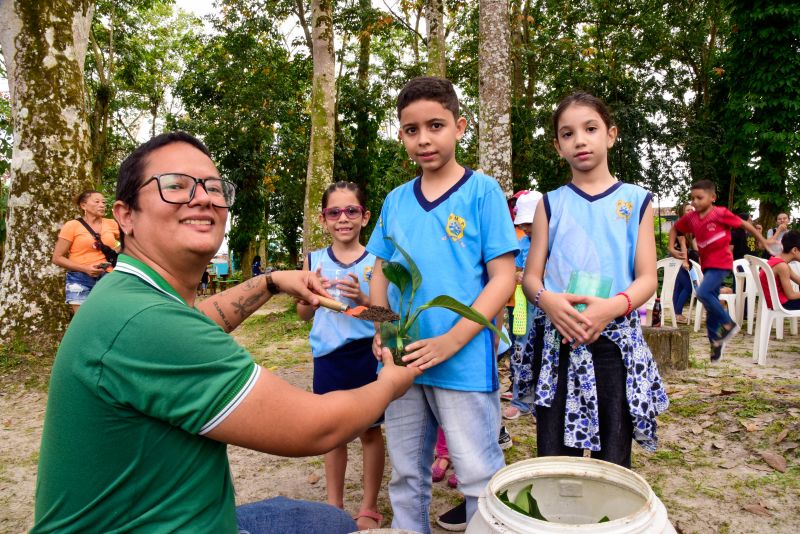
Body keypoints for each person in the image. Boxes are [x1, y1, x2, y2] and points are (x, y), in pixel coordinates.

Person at [32, 132, 420, 534]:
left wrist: (269, 282)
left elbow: (193, 322)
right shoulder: (144, 320)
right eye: (175, 186)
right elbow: (314, 427)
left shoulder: (129, 295)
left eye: (213, 188)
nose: (201, 198)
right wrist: (391, 382)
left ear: (364, 216)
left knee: (326, 519)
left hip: (172, 515)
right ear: (125, 215)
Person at [366, 77, 518, 533]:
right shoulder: (395, 201)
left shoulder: (482, 192)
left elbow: (503, 278)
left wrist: (452, 341)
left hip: (464, 362)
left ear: (459, 127)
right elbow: (380, 272)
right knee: (407, 473)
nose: (424, 139)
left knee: (477, 475)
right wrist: (382, 330)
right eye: (411, 130)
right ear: (401, 136)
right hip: (402, 364)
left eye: (436, 125)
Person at [521, 91, 668, 468]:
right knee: (554, 453)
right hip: (559, 340)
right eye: (568, 134)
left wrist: (612, 308)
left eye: (590, 128)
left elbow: (647, 277)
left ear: (611, 134)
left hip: (614, 345)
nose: (580, 140)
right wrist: (548, 301)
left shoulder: (636, 200)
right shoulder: (550, 203)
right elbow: (531, 277)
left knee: (613, 454)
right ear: (558, 146)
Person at [296, 181, 384, 530]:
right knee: (333, 433)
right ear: (324, 219)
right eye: (334, 212)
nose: (343, 218)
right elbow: (304, 314)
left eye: (351, 211)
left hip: (365, 356)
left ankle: (368, 506)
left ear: (365, 217)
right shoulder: (313, 260)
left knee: (370, 432)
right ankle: (333, 506)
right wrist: (309, 297)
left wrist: (362, 300)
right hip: (328, 358)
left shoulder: (376, 261)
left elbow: (386, 316)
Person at [669, 180, 769, 360]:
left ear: (712, 197)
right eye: (692, 198)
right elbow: (675, 229)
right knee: (710, 305)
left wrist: (763, 240)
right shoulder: (691, 218)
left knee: (702, 293)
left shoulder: (721, 213)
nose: (695, 202)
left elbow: (745, 225)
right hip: (707, 265)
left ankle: (729, 324)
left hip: (721, 263)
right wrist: (670, 246)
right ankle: (715, 343)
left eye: (700, 197)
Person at [503, 190, 541, 420]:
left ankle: (540, 401)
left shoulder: (553, 242)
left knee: (542, 350)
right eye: (523, 223)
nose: (525, 228)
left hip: (545, 306)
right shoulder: (522, 243)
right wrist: (520, 275)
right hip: (522, 305)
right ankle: (520, 398)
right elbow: (514, 270)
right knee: (520, 348)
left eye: (529, 223)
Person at [51, 190, 120, 314]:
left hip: (109, 277)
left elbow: (131, 243)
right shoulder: (72, 226)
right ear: (83, 205)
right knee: (82, 321)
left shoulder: (112, 224)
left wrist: (115, 251)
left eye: (104, 202)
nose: (102, 205)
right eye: (97, 202)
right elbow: (57, 258)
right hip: (80, 279)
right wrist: (85, 268)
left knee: (109, 317)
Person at [672, 203, 699, 324]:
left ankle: (675, 314)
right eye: (688, 210)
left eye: (692, 210)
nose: (691, 211)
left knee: (679, 286)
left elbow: (695, 246)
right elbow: (682, 244)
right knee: (687, 286)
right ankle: (677, 314)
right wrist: (685, 261)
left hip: (685, 256)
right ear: (682, 212)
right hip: (678, 258)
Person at [759, 230, 800, 310]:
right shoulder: (782, 266)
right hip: (782, 304)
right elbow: (791, 295)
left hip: (778, 302)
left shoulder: (778, 261)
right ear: (794, 250)